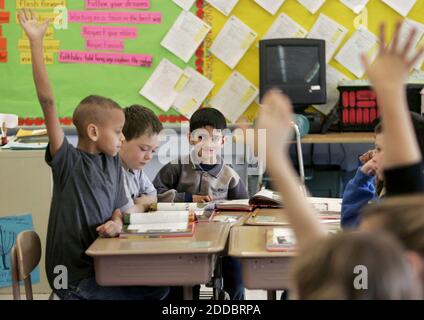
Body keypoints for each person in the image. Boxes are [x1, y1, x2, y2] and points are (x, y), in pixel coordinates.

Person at [19, 8, 168, 300]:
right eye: (118, 131)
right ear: (94, 132)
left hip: (103, 264)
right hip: (73, 279)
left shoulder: (112, 162)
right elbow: (48, 102)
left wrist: (116, 220)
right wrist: (36, 42)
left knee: (162, 287)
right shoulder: (67, 161)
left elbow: (119, 208)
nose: (123, 138)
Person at [153, 107, 248, 300]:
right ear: (190, 138)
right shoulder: (175, 167)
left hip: (223, 244)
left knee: (236, 283)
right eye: (201, 138)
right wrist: (187, 199)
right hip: (183, 240)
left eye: (214, 139)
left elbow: (244, 208)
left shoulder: (230, 176)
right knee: (181, 287)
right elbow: (154, 195)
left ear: (223, 141)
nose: (208, 144)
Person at [119, 105, 163, 213]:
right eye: (144, 149)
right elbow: (127, 212)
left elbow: (153, 196)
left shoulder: (135, 169)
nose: (149, 157)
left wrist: (145, 203)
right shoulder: (114, 171)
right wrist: (143, 206)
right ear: (121, 140)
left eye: (153, 151)